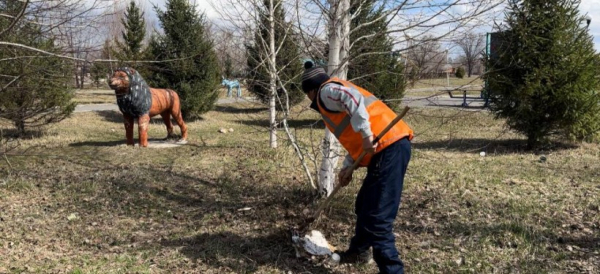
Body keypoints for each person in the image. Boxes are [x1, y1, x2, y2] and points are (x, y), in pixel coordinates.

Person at [301, 61, 413, 274]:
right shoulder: (328, 96)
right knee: (364, 205)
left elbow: (352, 100)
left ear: (312, 90)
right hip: (385, 148)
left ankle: (392, 270)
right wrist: (347, 166)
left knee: (378, 219)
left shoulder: (326, 91)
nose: (307, 99)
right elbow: (352, 135)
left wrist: (366, 134)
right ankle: (359, 252)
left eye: (306, 93)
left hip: (389, 145)